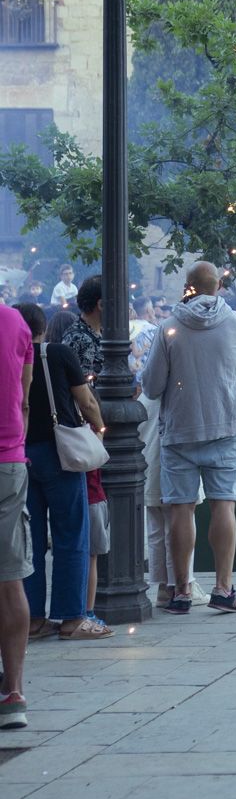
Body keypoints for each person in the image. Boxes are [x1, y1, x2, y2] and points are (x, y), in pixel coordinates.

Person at [142, 262, 236, 615]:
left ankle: (182, 591)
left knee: (181, 509)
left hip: (181, 430)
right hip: (224, 425)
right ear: (218, 284)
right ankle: (223, 587)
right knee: (224, 504)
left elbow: (153, 385)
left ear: (188, 286)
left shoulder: (170, 327)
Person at [16, 302, 109, 639]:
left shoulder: (11, 356)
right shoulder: (57, 354)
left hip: (21, 453)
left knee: (32, 539)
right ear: (42, 327)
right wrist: (99, 431)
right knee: (71, 535)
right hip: (61, 454)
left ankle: (33, 618)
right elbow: (86, 402)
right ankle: (71, 617)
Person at [0, 300, 34, 728]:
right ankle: (14, 693)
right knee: (10, 579)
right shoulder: (14, 321)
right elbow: (23, 399)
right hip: (9, 458)